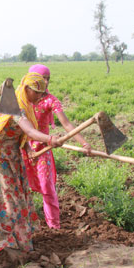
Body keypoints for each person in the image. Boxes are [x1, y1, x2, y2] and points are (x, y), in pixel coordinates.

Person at [0, 72, 62, 254]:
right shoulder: (14, 107)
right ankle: (3, 239)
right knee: (5, 199)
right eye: (36, 92)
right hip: (0, 158)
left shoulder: (25, 107)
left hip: (13, 157)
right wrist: (50, 139)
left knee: (16, 197)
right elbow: (30, 132)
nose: (39, 97)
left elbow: (22, 135)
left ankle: (16, 236)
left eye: (42, 93)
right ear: (26, 89)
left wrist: (29, 150)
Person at [21, 64, 91, 229]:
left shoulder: (50, 100)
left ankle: (54, 226)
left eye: (48, 78)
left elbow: (66, 124)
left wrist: (84, 143)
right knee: (21, 185)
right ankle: (23, 224)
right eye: (41, 78)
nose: (45, 82)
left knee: (47, 186)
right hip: (23, 146)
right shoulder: (22, 100)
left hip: (43, 147)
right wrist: (26, 148)